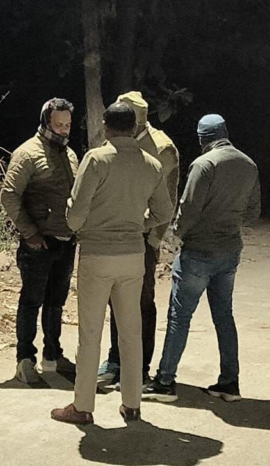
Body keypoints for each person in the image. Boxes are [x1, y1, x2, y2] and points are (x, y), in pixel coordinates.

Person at [50, 102, 174, 425]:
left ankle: (82, 406)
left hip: (97, 254)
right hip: (133, 256)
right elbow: (164, 212)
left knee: (90, 332)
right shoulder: (151, 164)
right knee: (131, 331)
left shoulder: (96, 160)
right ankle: (132, 405)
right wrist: (138, 224)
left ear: (106, 127)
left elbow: (76, 216)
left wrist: (80, 219)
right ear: (134, 129)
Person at [143, 114, 260, 404]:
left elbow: (188, 208)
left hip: (198, 252)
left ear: (202, 138)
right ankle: (229, 383)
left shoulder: (203, 164)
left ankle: (164, 382)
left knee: (179, 317)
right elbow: (253, 212)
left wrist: (175, 236)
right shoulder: (248, 164)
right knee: (224, 316)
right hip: (230, 251)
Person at [98, 91, 179, 386]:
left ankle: (139, 368)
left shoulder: (162, 149)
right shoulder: (112, 143)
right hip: (113, 235)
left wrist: (152, 238)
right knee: (115, 299)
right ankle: (116, 360)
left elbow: (167, 201)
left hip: (142, 237)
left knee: (141, 302)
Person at [0, 98, 79, 384]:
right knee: (31, 301)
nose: (64, 130)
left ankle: (53, 356)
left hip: (66, 242)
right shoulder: (27, 154)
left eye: (67, 124)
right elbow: (9, 195)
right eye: (58, 124)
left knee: (56, 303)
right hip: (38, 244)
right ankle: (25, 360)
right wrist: (29, 233)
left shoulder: (69, 154)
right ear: (46, 122)